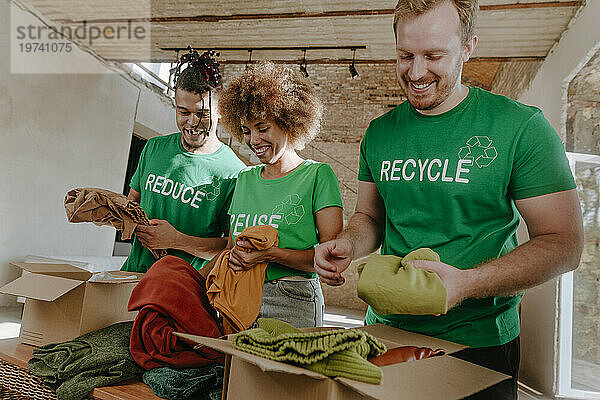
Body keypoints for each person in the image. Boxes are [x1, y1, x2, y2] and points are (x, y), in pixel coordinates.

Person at [313, 1, 583, 399]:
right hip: (384, 333)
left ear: (468, 47)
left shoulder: (520, 127)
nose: (417, 72)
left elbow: (564, 244)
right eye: (406, 55)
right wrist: (348, 245)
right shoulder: (380, 133)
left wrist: (467, 283)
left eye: (434, 55)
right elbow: (369, 216)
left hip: (479, 342)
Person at [213, 62, 344, 328]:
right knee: (237, 370)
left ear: (288, 122)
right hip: (238, 294)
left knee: (285, 371)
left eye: (263, 128)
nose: (253, 140)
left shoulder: (317, 175)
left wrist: (270, 255)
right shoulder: (245, 179)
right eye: (247, 131)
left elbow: (329, 257)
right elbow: (230, 246)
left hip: (292, 298)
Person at [121, 49, 246, 273]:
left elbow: (230, 248)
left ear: (220, 112)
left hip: (183, 289)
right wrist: (105, 210)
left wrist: (177, 240)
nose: (193, 122)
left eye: (203, 114)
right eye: (183, 112)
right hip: (133, 276)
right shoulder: (154, 148)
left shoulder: (235, 173)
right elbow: (131, 205)